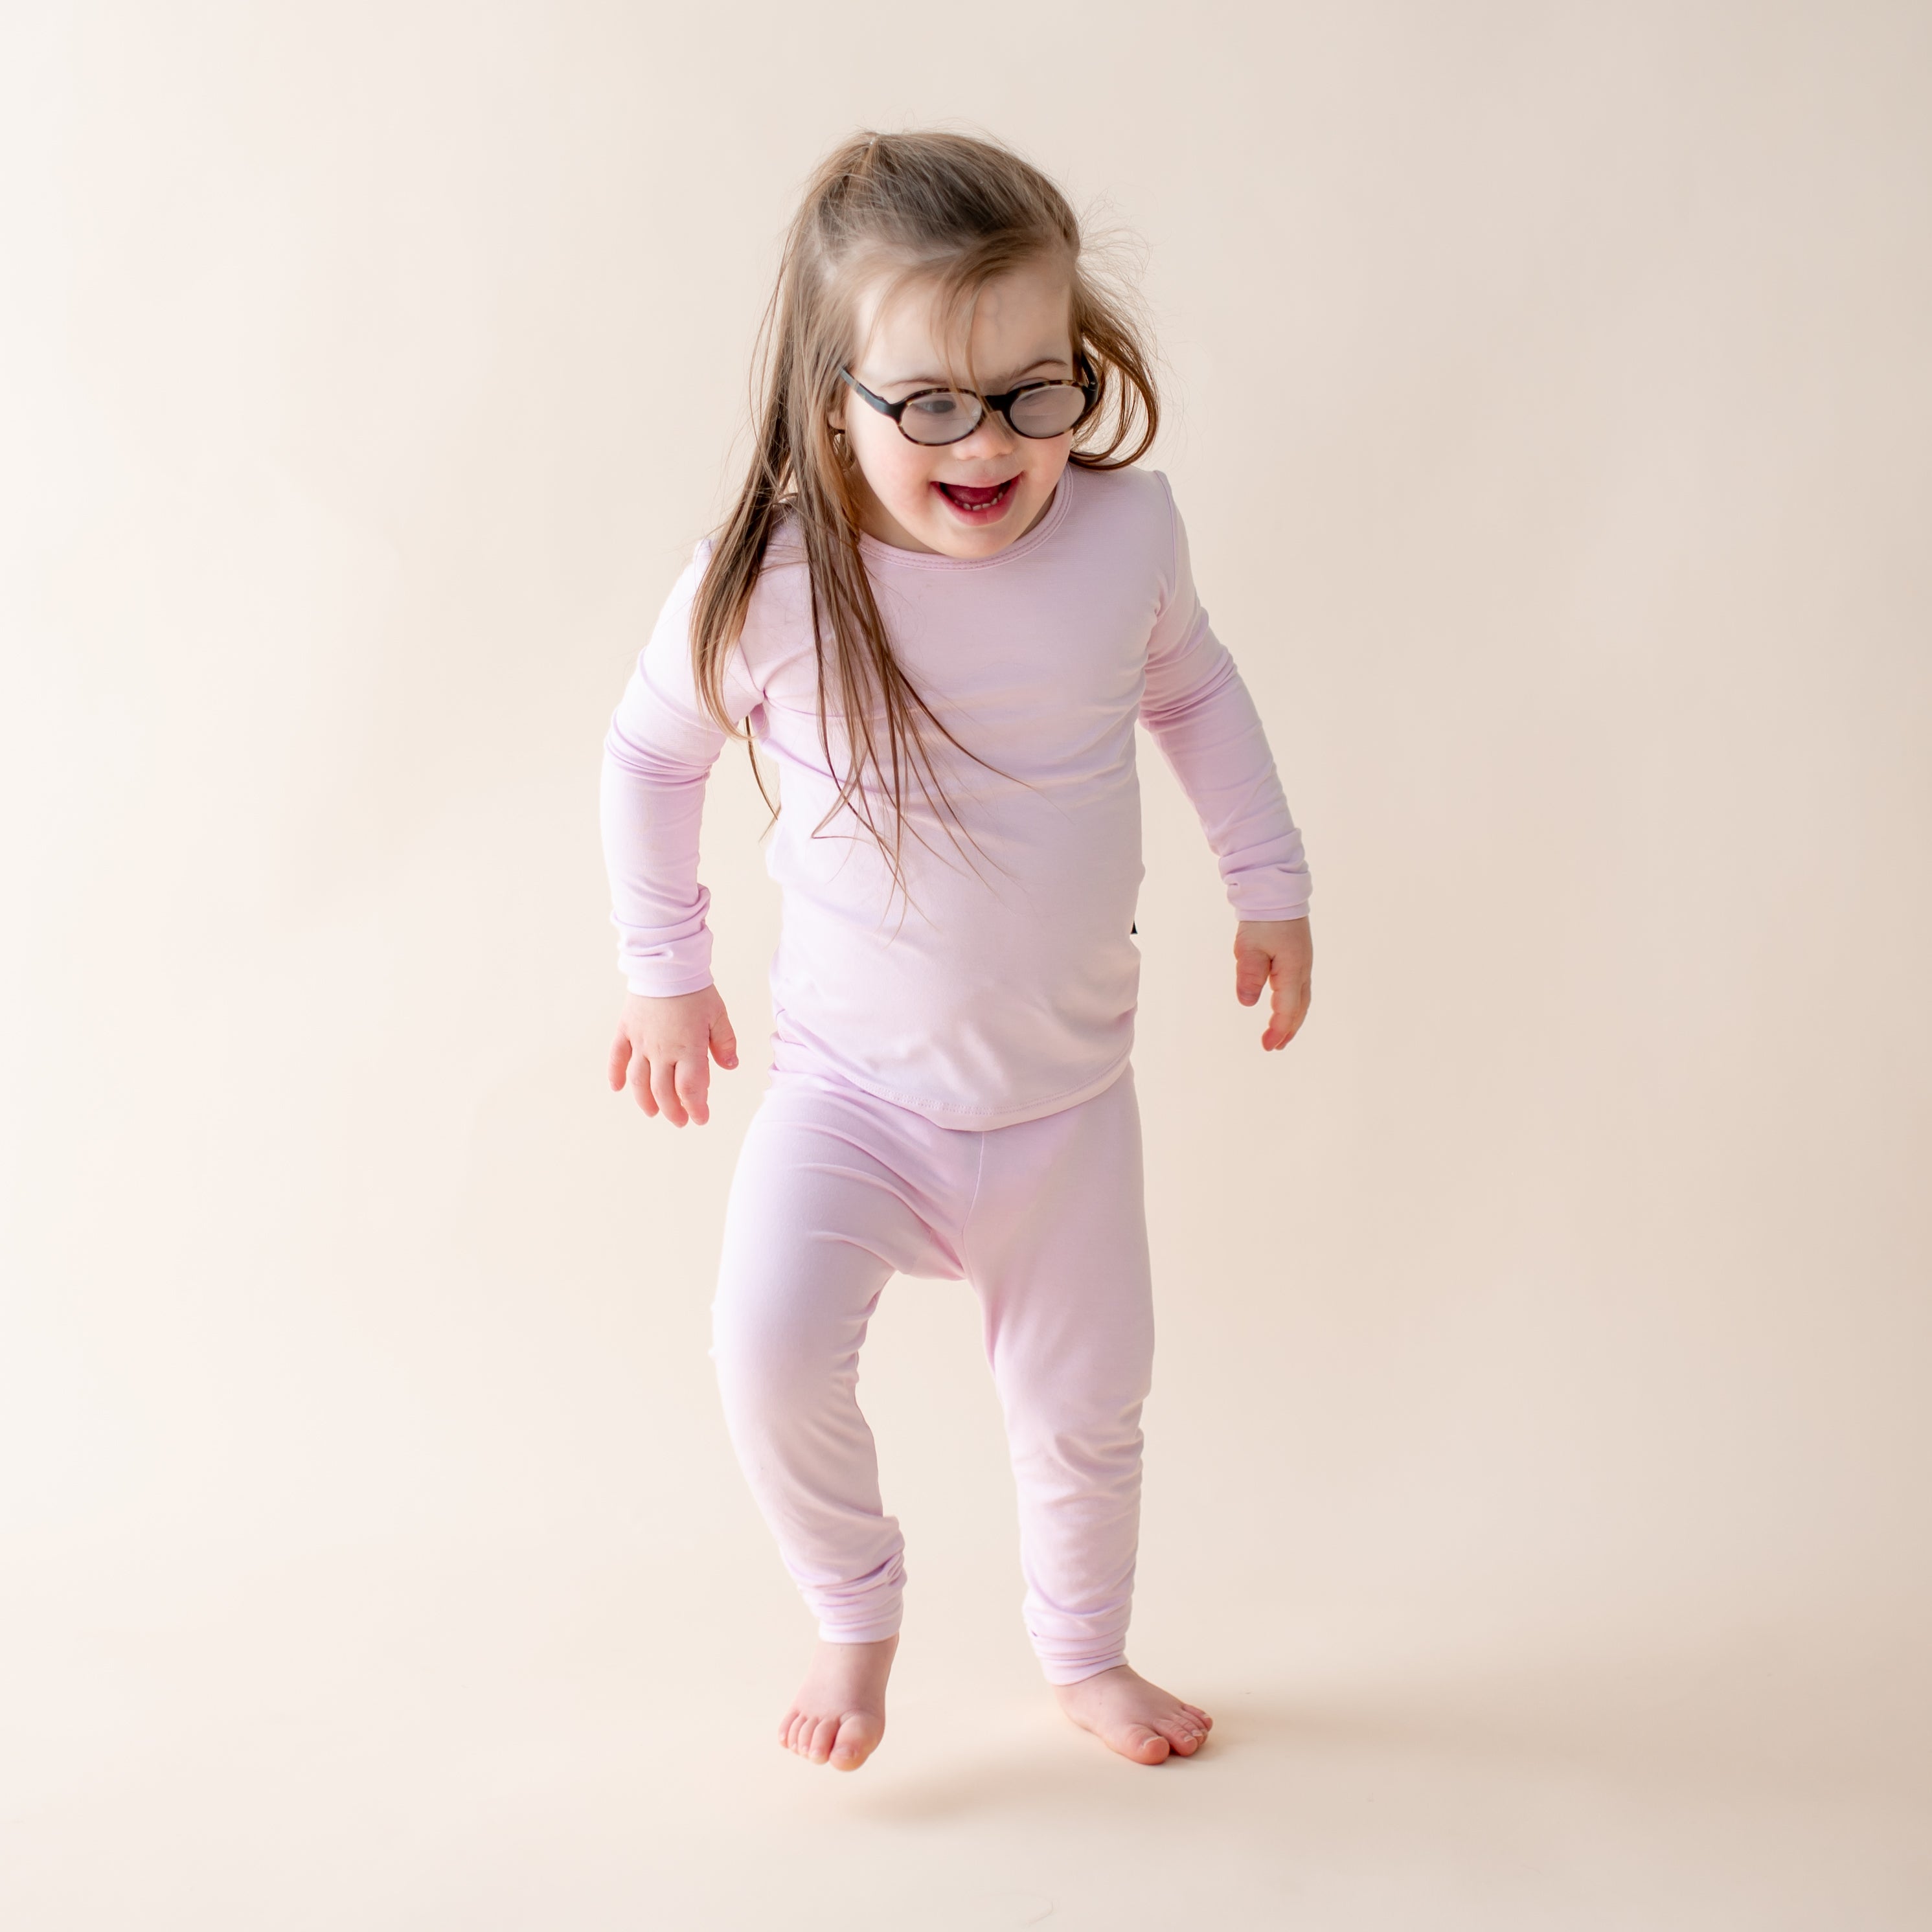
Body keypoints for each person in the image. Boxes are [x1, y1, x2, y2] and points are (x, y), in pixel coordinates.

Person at [600, 129, 1312, 1773]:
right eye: (929, 402)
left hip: (1065, 1112)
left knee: (1086, 1414)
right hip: (850, 1102)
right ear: (830, 397)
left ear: (1082, 373)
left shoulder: (1122, 537)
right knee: (764, 1353)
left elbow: (1193, 695)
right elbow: (650, 757)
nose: (989, 444)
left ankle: (1086, 1654)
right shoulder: (773, 582)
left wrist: (1265, 880)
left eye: (1033, 393)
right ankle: (854, 1614)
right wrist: (665, 960)